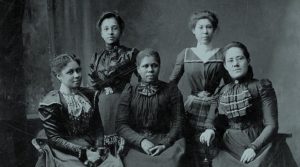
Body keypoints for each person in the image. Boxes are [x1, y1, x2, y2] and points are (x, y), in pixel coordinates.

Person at [200, 41, 298, 167]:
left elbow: (272, 125)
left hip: (259, 142)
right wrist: (209, 130)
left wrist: (254, 147)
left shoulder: (261, 86)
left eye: (240, 58)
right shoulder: (220, 92)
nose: (235, 64)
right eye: (230, 61)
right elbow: (210, 120)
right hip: (229, 145)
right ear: (225, 65)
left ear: (248, 60)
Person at [169, 10, 229, 166]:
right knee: (189, 151)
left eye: (209, 27)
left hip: (214, 108)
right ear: (193, 30)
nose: (205, 31)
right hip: (192, 107)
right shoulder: (186, 54)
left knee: (212, 152)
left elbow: (229, 86)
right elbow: (171, 84)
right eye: (200, 27)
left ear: (214, 30)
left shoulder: (222, 54)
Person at [116, 49, 185, 167]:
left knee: (171, 162)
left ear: (159, 67)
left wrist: (164, 144)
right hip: (136, 144)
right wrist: (141, 141)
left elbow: (178, 122)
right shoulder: (129, 91)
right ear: (138, 69)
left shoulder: (171, 90)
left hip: (165, 143)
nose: (150, 70)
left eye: (154, 65)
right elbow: (121, 125)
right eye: (145, 66)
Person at [35, 54, 105, 167]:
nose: (77, 75)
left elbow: (98, 127)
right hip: (63, 151)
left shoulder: (89, 95)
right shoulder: (51, 102)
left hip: (89, 145)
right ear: (59, 76)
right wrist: (84, 152)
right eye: (70, 72)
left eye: (78, 70)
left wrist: (99, 149)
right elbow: (55, 139)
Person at [89, 11, 139, 156]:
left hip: (123, 103)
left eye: (114, 28)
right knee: (102, 149)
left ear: (121, 30)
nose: (110, 32)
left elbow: (143, 81)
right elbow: (93, 86)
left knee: (124, 150)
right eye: (106, 29)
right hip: (101, 106)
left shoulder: (130, 54)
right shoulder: (96, 58)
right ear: (101, 33)